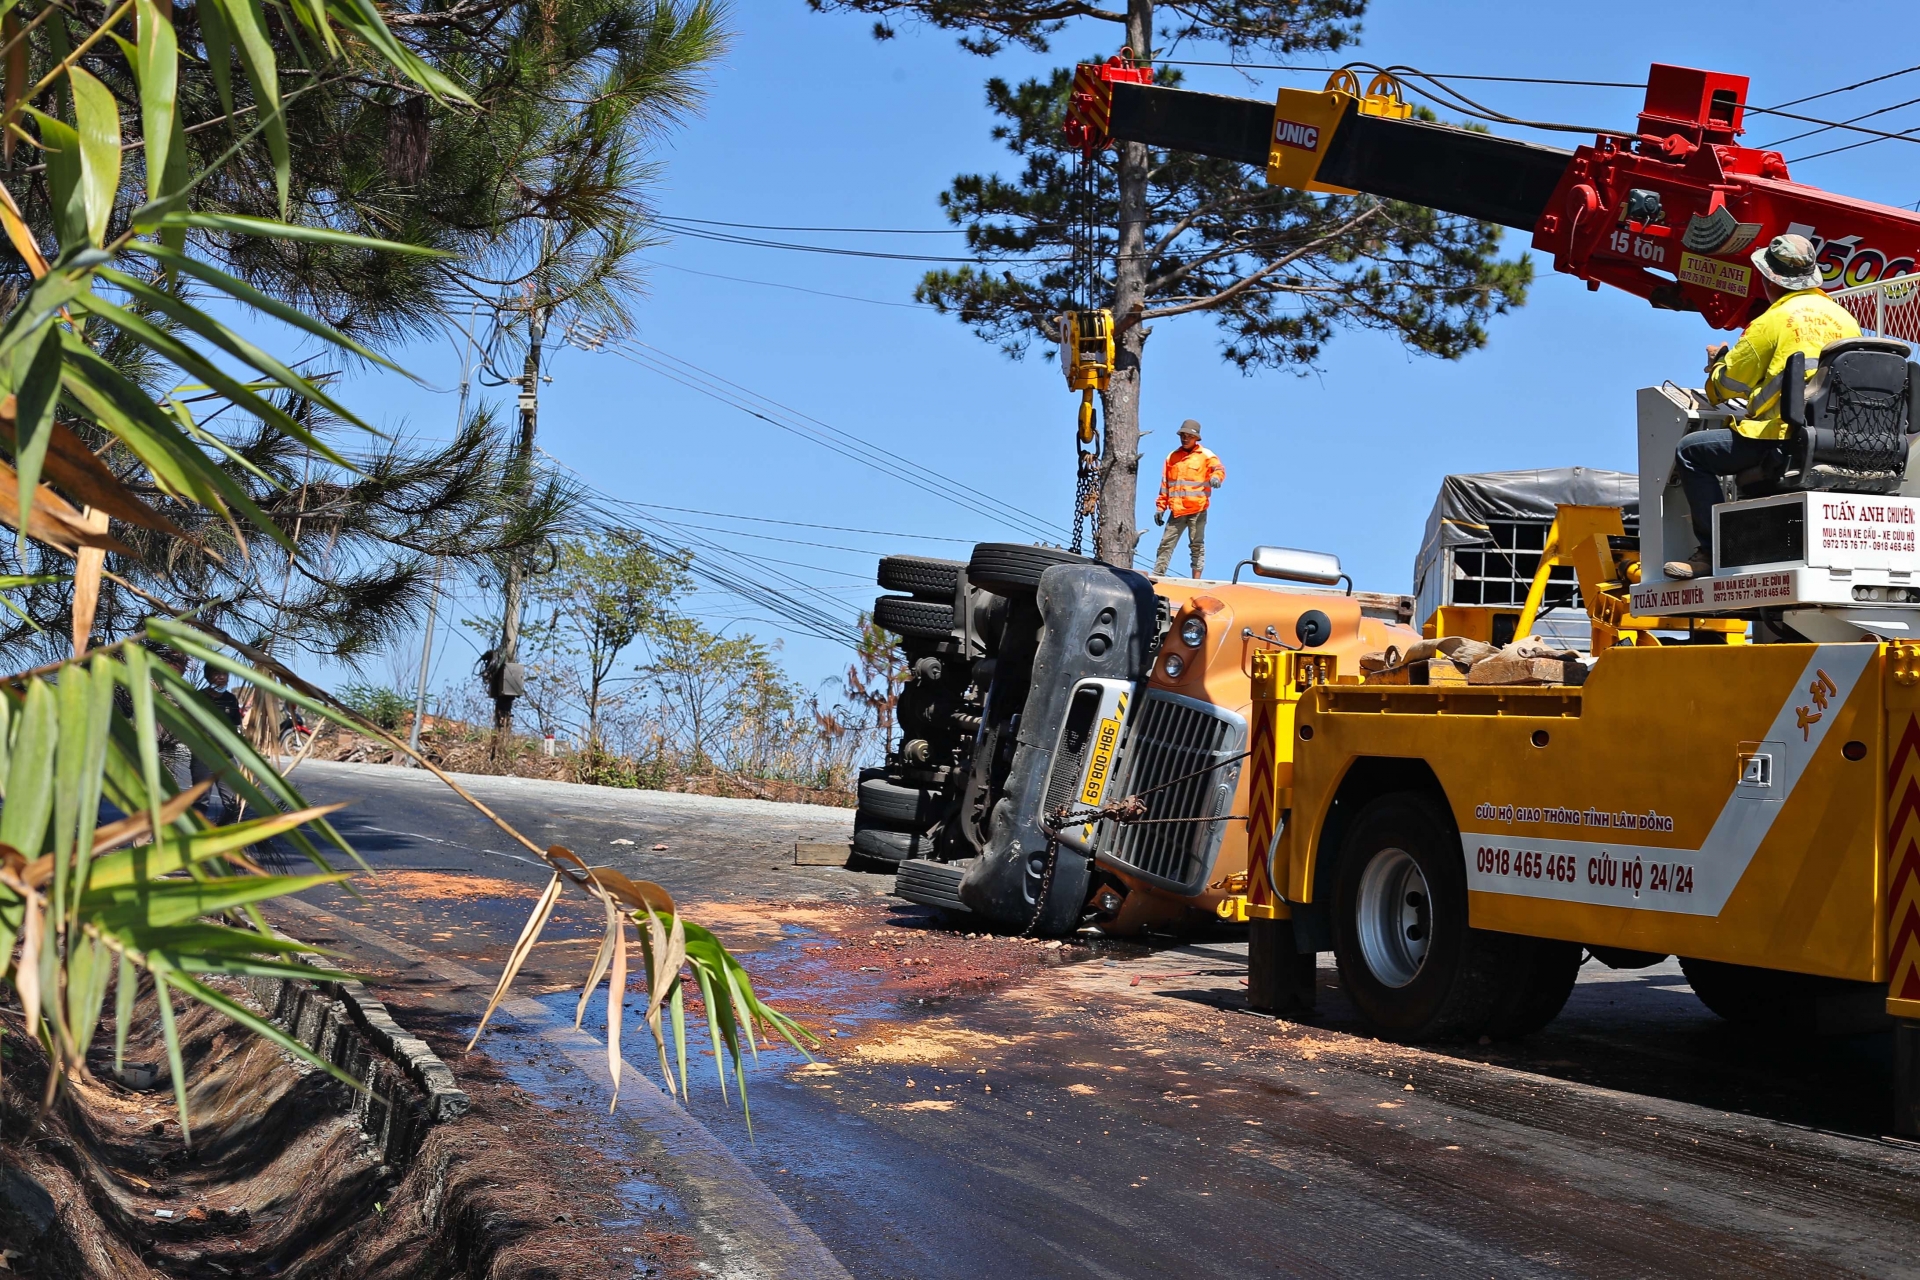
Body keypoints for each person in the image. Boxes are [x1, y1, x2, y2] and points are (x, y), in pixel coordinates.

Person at [1665, 233, 1861, 579]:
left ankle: (1712, 553)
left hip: (1780, 439)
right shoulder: (1846, 321)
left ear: (1769, 278)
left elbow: (1723, 389)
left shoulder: (1772, 322)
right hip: (1835, 441)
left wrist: (1716, 365)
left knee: (1690, 452)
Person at [1152, 419, 1226, 577]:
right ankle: (1157, 577)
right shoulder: (1172, 457)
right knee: (1166, 544)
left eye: (1188, 436)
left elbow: (1218, 468)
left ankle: (1196, 581)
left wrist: (1216, 478)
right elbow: (1165, 484)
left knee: (1196, 545)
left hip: (1197, 509)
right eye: (1183, 435)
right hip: (1177, 510)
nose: (1185, 439)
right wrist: (1160, 507)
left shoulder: (1205, 455)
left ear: (1196, 438)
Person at [192, 666, 245, 823]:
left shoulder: (231, 699)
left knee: (232, 801)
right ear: (208, 677)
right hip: (203, 757)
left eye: (225, 674)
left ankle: (229, 839)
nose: (222, 677)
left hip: (226, 757)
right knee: (200, 801)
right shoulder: (198, 698)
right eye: (217, 673)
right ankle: (196, 836)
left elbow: (236, 725)